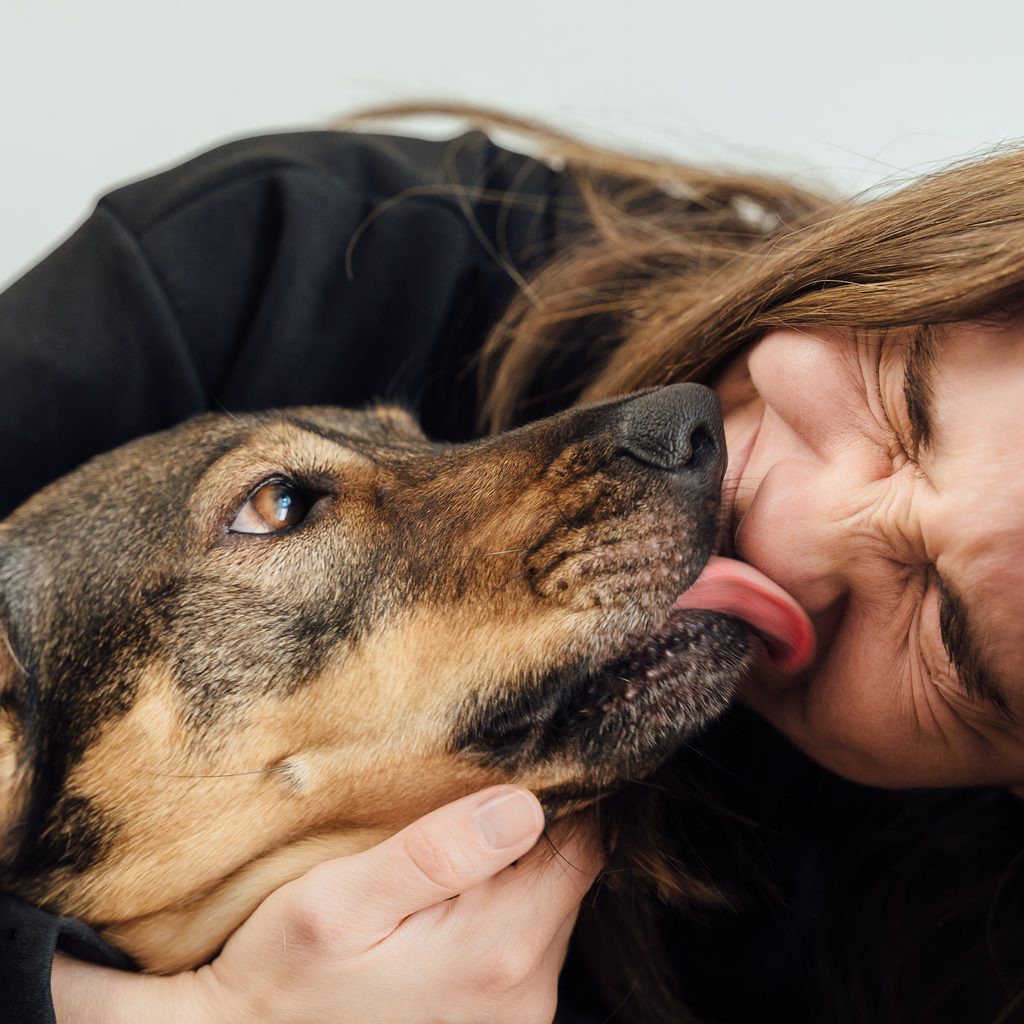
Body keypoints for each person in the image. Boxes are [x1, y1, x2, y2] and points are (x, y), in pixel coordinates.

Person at [0, 109, 1021, 1023]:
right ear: (906, 257)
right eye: (901, 393)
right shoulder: (306, 253)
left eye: (943, 628)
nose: (785, 530)